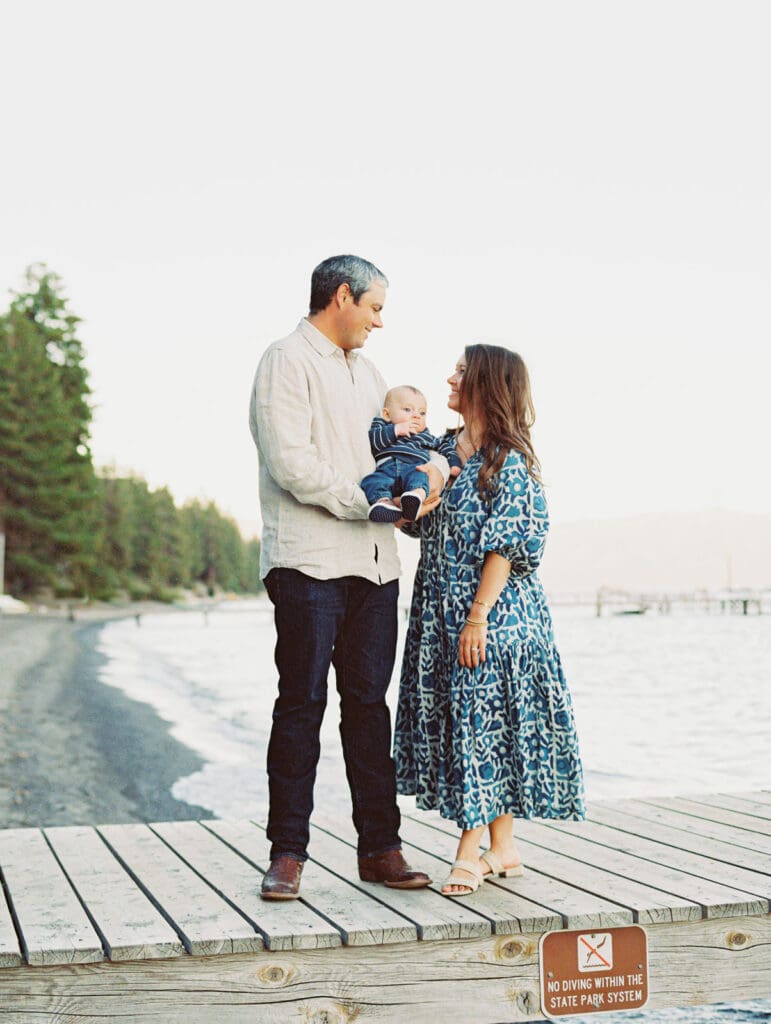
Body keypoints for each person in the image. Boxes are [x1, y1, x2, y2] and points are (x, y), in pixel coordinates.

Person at [248, 254, 444, 900]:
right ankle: (287, 852)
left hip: (374, 567)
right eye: (374, 307)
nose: (379, 322)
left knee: (368, 709)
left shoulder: (373, 376)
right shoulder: (285, 360)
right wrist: (367, 503)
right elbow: (290, 464)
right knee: (301, 705)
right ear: (341, 297)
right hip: (306, 562)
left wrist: (422, 492)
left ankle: (379, 848)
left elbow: (394, 458)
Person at [393, 344, 585, 897]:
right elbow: (422, 528)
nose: (449, 377)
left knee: (479, 725)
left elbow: (505, 545)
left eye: (460, 371)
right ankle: (503, 847)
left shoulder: (510, 458)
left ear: (486, 383)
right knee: (477, 726)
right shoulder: (443, 451)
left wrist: (477, 617)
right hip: (440, 609)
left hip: (495, 615)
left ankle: (468, 854)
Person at [362, 385, 462, 523]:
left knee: (420, 478)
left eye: (422, 413)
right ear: (387, 414)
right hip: (386, 469)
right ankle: (384, 503)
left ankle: (415, 498)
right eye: (408, 410)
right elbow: (372, 442)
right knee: (372, 481)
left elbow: (443, 446)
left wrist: (454, 462)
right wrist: (395, 430)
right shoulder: (382, 426)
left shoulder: (425, 436)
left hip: (412, 468)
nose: (416, 416)